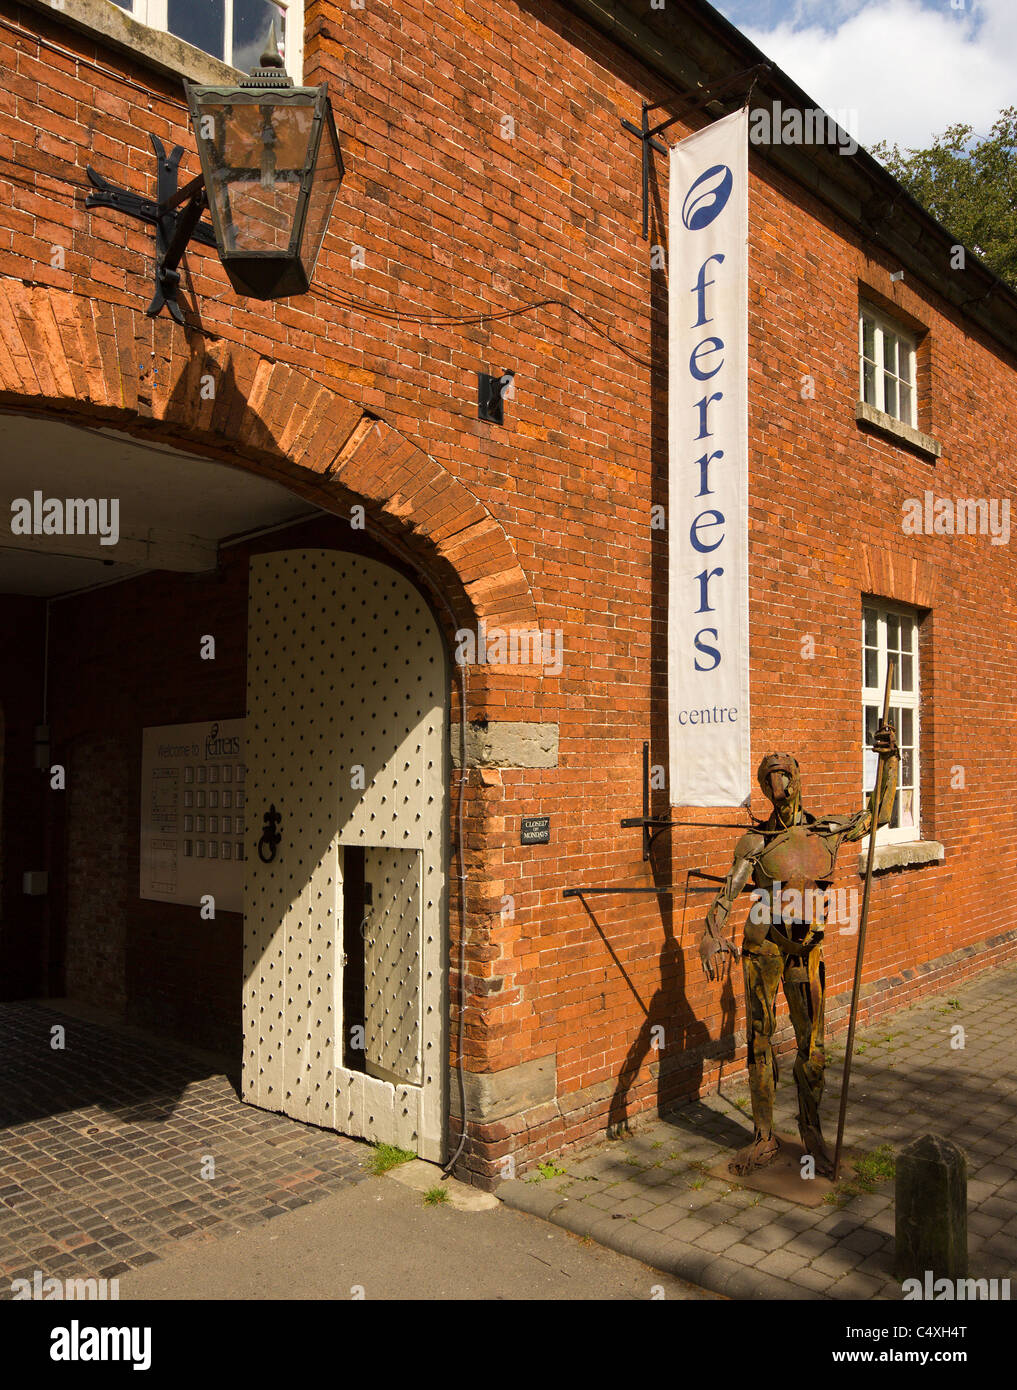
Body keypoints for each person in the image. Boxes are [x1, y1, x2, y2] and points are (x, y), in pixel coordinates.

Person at [698, 724, 899, 1176]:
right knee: (759, 1041)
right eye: (770, 778)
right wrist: (711, 932)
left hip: (806, 953)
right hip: (764, 950)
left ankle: (811, 1131)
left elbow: (876, 816)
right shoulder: (755, 842)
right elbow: (728, 895)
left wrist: (889, 760)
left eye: (784, 775)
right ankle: (764, 1137)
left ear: (798, 779)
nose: (778, 785)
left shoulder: (825, 832)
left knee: (814, 1047)